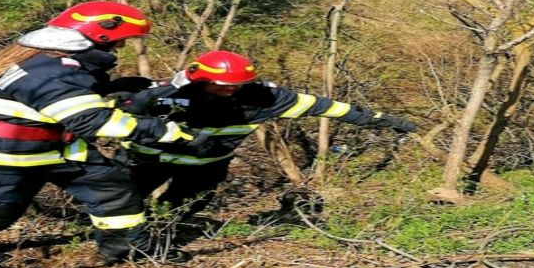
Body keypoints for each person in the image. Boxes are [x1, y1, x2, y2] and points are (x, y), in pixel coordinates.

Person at [0, 0, 194, 265]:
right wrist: (161, 130)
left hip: (62, 150)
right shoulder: (52, 72)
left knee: (113, 190)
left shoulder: (50, 62)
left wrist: (116, 88)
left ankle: (126, 248)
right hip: (7, 156)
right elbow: (92, 120)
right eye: (119, 41)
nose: (121, 47)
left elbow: (64, 101)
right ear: (99, 35)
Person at [118, 50, 417, 217]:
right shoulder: (159, 94)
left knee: (182, 208)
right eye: (221, 86)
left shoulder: (267, 98)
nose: (229, 91)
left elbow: (327, 107)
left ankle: (162, 239)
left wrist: (384, 120)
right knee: (119, 203)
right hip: (146, 161)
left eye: (236, 86)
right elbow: (102, 117)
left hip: (204, 167)